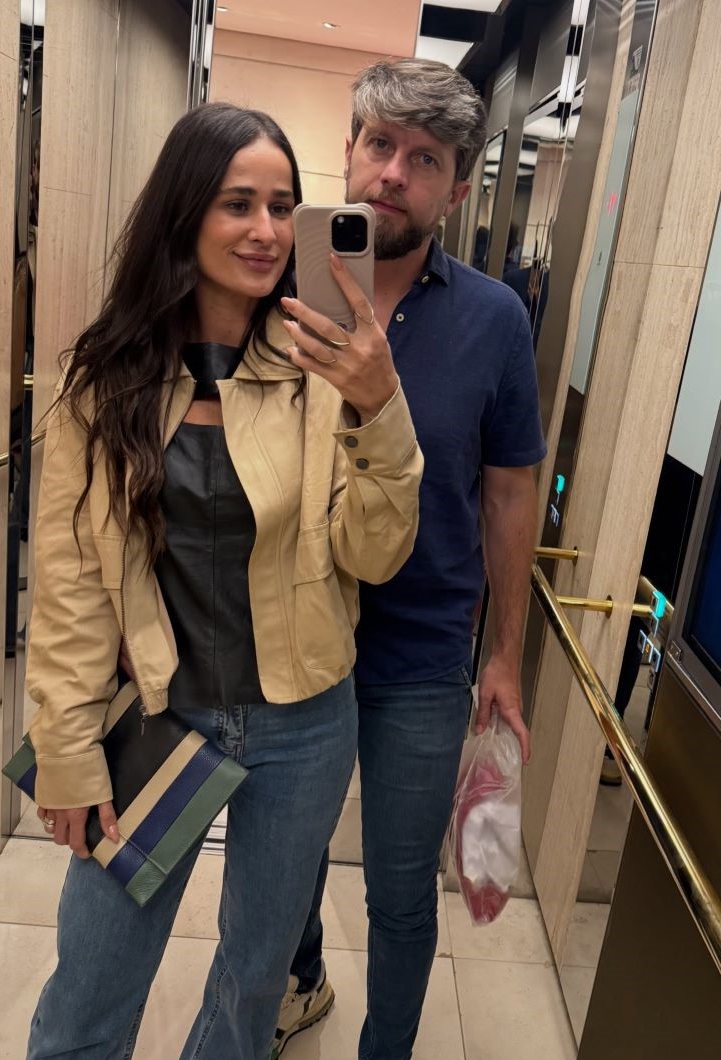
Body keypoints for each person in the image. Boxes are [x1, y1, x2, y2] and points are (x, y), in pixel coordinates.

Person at [23, 102, 423, 1060]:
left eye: (283, 206)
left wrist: (381, 407)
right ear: (185, 211)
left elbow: (375, 554)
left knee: (253, 985)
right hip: (163, 715)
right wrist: (67, 751)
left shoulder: (325, 371)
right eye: (238, 203)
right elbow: (71, 588)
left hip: (305, 723)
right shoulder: (106, 380)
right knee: (91, 985)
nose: (267, 231)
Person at [278, 59, 547, 1060]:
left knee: (398, 891)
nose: (394, 172)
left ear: (458, 188)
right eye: (380, 144)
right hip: (289, 633)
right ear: (348, 148)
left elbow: (508, 490)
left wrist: (503, 653)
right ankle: (298, 982)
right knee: (285, 864)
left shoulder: (494, 318)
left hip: (423, 655)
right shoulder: (276, 289)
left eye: (424, 158)